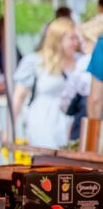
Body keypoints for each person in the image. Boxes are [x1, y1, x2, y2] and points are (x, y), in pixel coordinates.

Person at [12, 17, 82, 149]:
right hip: (43, 122)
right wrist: (9, 129)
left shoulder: (81, 61)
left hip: (71, 123)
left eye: (76, 38)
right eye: (71, 38)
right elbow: (18, 97)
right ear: (58, 39)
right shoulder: (35, 61)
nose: (76, 43)